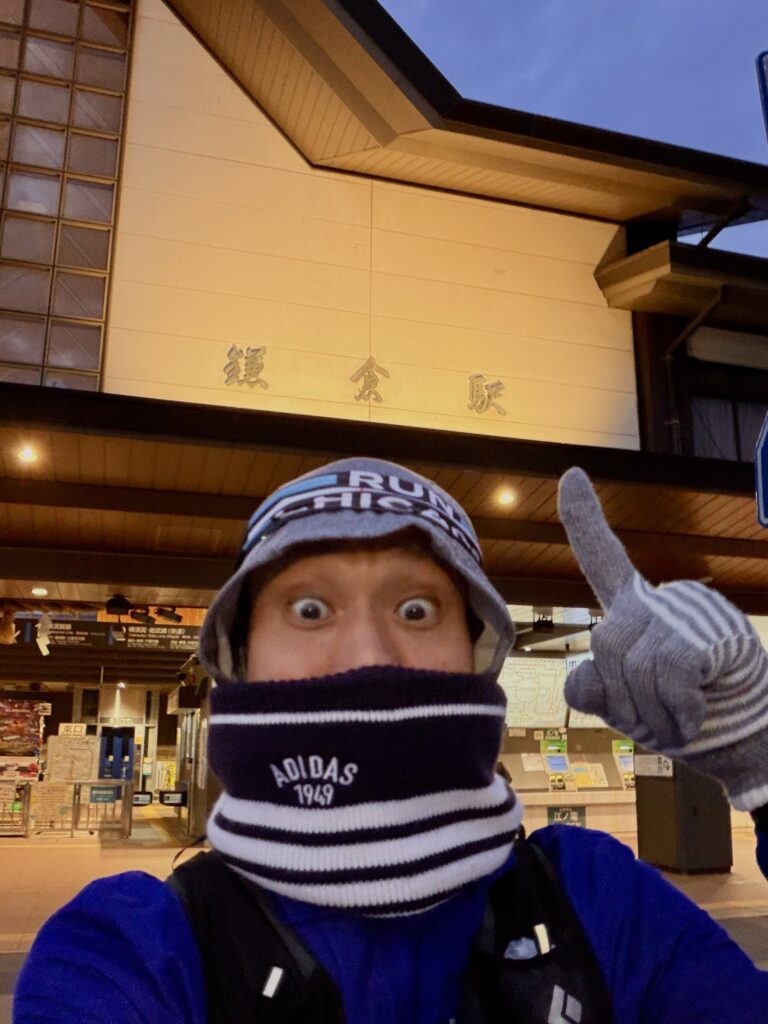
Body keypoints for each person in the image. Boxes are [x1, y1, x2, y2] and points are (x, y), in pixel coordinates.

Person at [13, 458, 768, 1023]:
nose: (368, 652)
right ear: (237, 661)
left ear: (476, 656)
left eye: (416, 609)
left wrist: (763, 765)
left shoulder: (600, 900)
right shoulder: (133, 951)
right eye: (309, 609)